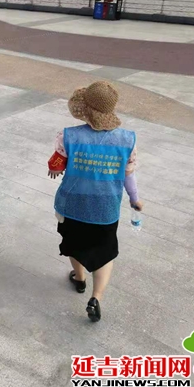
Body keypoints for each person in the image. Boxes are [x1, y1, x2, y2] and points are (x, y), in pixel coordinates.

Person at [48, 81, 143, 322]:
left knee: (73, 243)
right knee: (105, 253)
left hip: (72, 205)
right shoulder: (128, 140)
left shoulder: (68, 136)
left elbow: (56, 166)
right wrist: (135, 199)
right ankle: (96, 297)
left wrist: (56, 168)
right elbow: (128, 176)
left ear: (85, 109)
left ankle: (80, 278)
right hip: (106, 209)